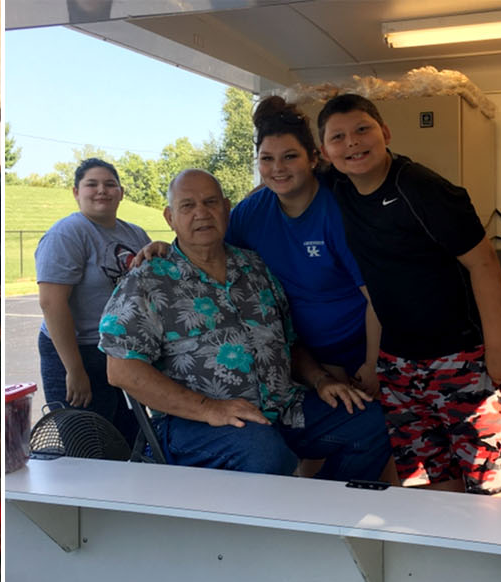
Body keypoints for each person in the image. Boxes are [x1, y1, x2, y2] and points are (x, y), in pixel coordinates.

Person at [100, 169, 390, 480]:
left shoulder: (254, 267)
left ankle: (319, 517)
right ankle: (281, 519)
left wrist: (320, 380)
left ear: (226, 208)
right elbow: (122, 371)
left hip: (281, 410)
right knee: (265, 452)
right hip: (196, 424)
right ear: (170, 217)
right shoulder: (148, 279)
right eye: (188, 205)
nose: (201, 213)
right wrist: (210, 408)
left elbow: (287, 342)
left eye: (210, 202)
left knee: (368, 422)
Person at [317, 93, 501, 496]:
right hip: (399, 369)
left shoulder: (423, 188)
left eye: (362, 129)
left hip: (461, 360)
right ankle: (441, 556)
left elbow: (483, 264)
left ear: (386, 133)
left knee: (488, 478)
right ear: (324, 152)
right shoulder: (338, 188)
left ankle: (495, 555)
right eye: (337, 137)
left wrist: (498, 348)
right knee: (424, 478)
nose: (352, 142)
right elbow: (280, 183)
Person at [227, 96, 381, 396]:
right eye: (267, 158)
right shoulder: (252, 212)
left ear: (313, 158)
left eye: (289, 157)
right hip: (299, 356)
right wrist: (164, 252)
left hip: (362, 352)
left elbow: (378, 298)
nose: (277, 168)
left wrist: (372, 364)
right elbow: (207, 252)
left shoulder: (337, 211)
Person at [35, 158, 149, 443]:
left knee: (130, 439)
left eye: (110, 184)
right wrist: (74, 370)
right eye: (92, 184)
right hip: (77, 351)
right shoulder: (68, 233)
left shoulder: (134, 233)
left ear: (121, 193)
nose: (102, 191)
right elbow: (52, 302)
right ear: (76, 192)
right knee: (86, 445)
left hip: (120, 351)